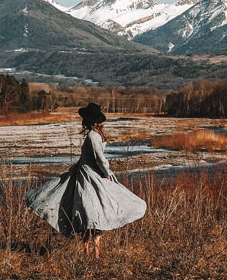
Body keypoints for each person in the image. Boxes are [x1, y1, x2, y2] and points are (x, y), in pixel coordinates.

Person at [24, 102, 147, 259]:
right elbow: (95, 158)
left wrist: (107, 173)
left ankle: (91, 252)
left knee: (90, 212)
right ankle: (91, 253)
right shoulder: (96, 135)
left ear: (87, 121)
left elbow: (100, 159)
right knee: (91, 213)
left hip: (90, 177)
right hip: (86, 175)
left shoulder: (92, 136)